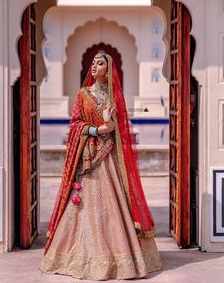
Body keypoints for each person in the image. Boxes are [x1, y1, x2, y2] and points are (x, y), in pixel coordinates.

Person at [40, 51, 163, 280]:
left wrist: (109, 123)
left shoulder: (114, 95)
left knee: (113, 208)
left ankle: (121, 257)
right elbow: (76, 123)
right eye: (94, 62)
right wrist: (98, 130)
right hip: (89, 157)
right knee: (85, 208)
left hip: (109, 158)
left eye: (100, 63)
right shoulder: (82, 94)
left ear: (108, 68)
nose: (95, 66)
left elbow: (121, 127)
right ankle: (79, 255)